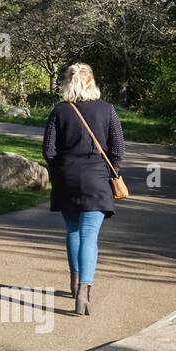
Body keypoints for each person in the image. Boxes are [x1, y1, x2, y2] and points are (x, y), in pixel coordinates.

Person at [42, 63, 125, 316]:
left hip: (67, 178)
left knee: (73, 231)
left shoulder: (60, 111)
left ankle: (74, 281)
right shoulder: (107, 110)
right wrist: (111, 173)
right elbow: (118, 149)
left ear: (69, 83)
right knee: (90, 235)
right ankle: (84, 291)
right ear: (92, 82)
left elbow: (49, 151)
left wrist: (59, 172)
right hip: (96, 179)